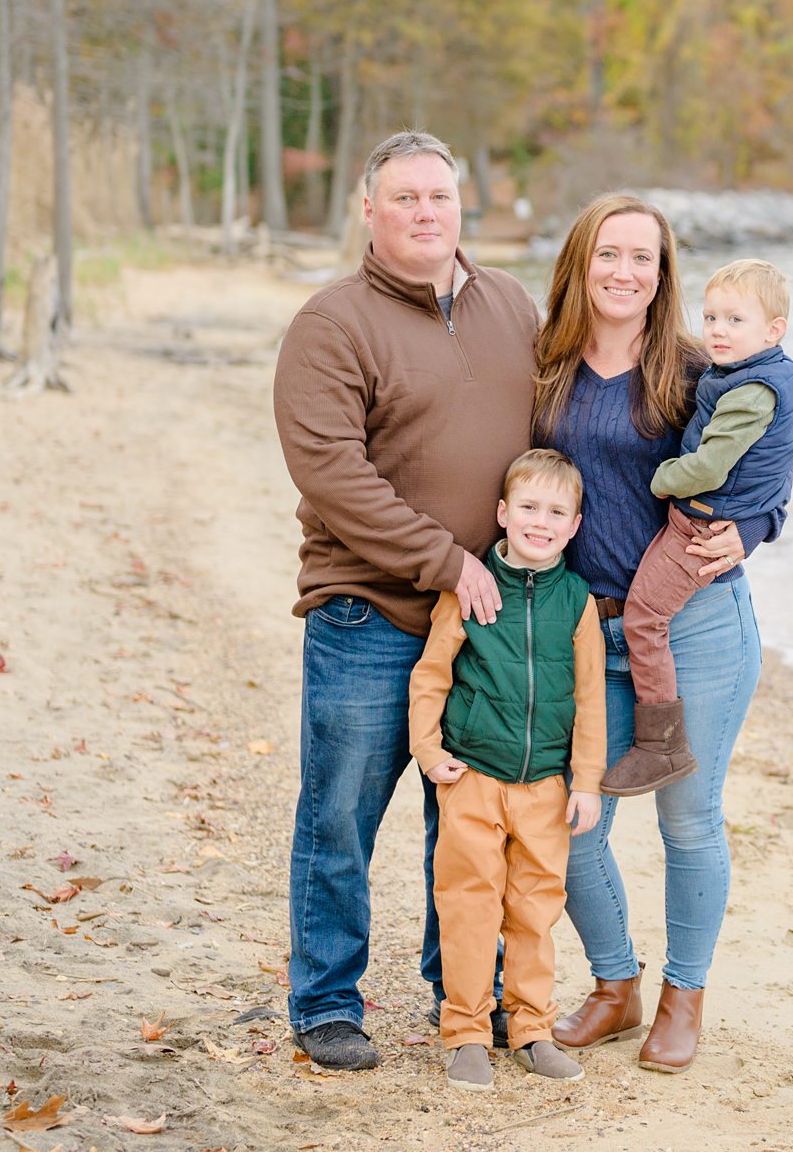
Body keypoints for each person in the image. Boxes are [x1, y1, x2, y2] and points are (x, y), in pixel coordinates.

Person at [271, 130, 538, 1072]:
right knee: (340, 814)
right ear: (370, 212)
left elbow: (564, 432)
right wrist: (444, 559)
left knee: (468, 824)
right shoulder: (332, 323)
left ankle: (463, 995)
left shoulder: (509, 303)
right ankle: (326, 1002)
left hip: (486, 622)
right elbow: (333, 473)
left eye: (440, 196)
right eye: (406, 198)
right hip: (370, 613)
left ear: (461, 205)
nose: (426, 213)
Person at [536, 195, 766, 1074]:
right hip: (586, 632)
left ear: (664, 272)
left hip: (698, 626)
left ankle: (684, 995)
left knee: (689, 819)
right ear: (580, 261)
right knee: (574, 818)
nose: (626, 271)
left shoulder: (699, 368)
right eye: (609, 253)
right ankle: (615, 984)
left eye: (645, 257)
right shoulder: (545, 366)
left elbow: (769, 458)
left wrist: (761, 523)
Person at [410, 448, 605, 1091]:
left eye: (556, 512)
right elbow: (432, 673)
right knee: (467, 906)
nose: (540, 522)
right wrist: (429, 751)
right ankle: (466, 1031)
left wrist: (587, 782)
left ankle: (531, 1030)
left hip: (546, 787)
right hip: (473, 780)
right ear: (502, 513)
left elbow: (589, 698)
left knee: (534, 912)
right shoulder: (470, 588)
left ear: (575, 525)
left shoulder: (576, 601)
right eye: (528, 507)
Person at [598, 259, 793, 797]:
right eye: (711, 317)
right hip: (684, 527)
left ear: (772, 331)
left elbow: (759, 467)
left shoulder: (746, 384)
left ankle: (661, 744)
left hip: (699, 530)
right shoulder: (726, 370)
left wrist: (753, 524)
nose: (717, 330)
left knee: (645, 616)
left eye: (735, 320)